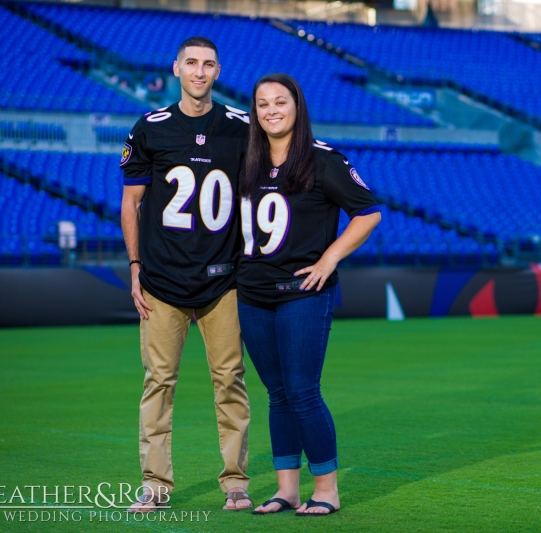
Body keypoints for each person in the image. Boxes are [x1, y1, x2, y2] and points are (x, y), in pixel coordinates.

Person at [236, 73, 381, 516]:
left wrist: (329, 259)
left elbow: (368, 212)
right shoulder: (245, 161)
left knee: (302, 392)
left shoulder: (323, 160)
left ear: (297, 107)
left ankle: (327, 491)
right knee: (277, 394)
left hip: (303, 293)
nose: (271, 110)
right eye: (262, 104)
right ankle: (287, 490)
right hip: (253, 294)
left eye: (281, 101)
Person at [120, 36, 253, 512]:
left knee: (230, 380)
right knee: (158, 382)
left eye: (208, 64)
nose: (199, 72)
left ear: (218, 71)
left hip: (222, 281)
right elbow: (132, 203)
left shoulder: (241, 127)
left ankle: (235, 481)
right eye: (191, 63)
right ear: (176, 67)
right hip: (162, 282)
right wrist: (135, 267)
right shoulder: (150, 128)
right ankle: (155, 486)